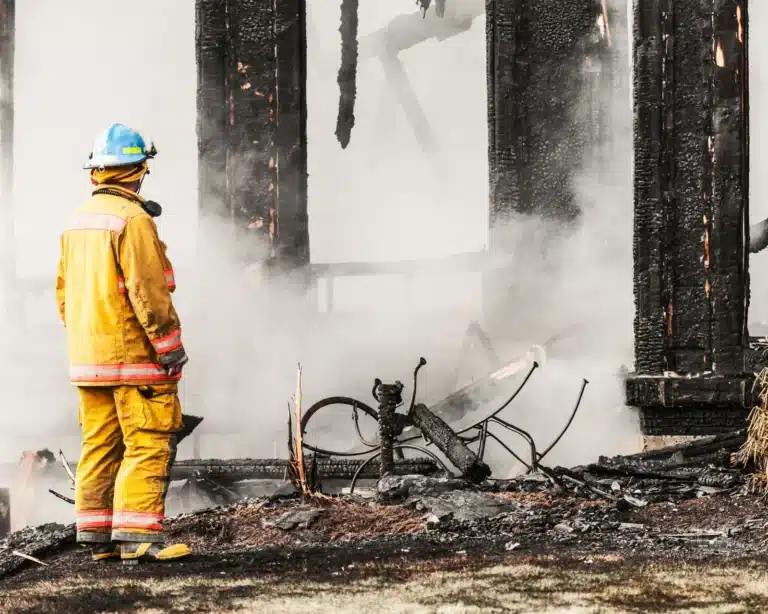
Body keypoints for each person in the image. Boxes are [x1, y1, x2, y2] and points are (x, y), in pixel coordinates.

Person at [56, 123, 191, 562]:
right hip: (134, 358)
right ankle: (139, 539)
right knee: (149, 439)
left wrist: (85, 341)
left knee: (99, 444)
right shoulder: (133, 221)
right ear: (138, 169)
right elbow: (148, 290)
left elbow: (64, 294)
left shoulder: (78, 222)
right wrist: (168, 346)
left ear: (95, 172)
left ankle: (96, 541)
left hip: (88, 360)